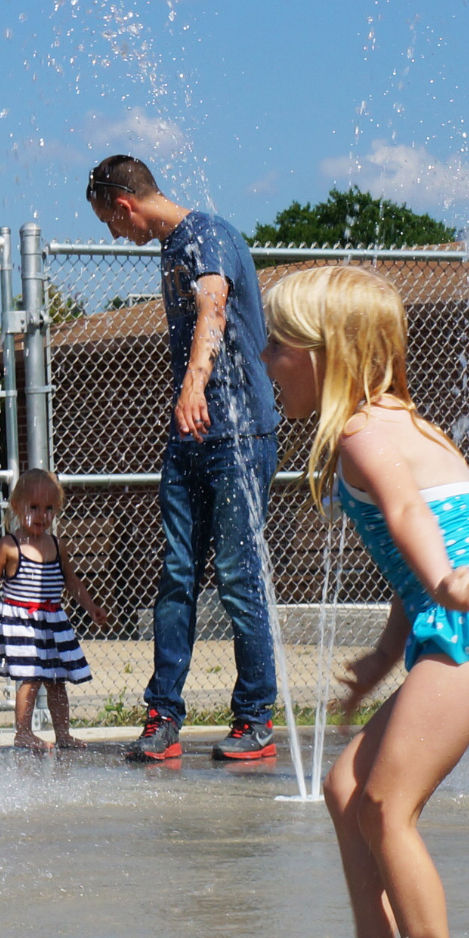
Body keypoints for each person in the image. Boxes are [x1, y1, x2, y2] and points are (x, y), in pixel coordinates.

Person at [263, 266, 469, 938]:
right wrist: (388, 652)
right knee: (346, 786)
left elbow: (408, 514)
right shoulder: (402, 424)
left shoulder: (362, 432)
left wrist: (445, 581)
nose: (266, 360)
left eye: (278, 344)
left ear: (326, 352)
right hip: (466, 622)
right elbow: (409, 561)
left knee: (388, 806)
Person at [85, 155, 283, 763]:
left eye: (112, 223)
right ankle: (163, 715)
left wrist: (194, 382)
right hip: (191, 438)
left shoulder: (206, 235)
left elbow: (213, 305)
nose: (116, 235)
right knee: (177, 574)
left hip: (239, 435)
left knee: (238, 576)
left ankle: (255, 718)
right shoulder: (173, 246)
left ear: (125, 206)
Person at [0, 468, 112, 753]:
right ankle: (23, 733)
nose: (41, 515)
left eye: (49, 508)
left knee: (57, 681)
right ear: (17, 507)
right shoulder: (9, 546)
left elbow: (71, 581)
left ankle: (63, 734)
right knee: (31, 677)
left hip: (52, 622)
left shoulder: (56, 545)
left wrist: (91, 607)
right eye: (33, 507)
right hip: (22, 622)